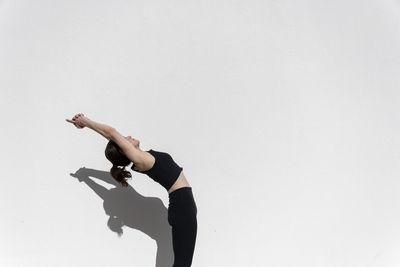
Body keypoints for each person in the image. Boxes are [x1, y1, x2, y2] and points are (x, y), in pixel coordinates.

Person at [66, 113, 198, 267]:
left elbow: (110, 176)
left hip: (182, 206)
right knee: (183, 264)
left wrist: (87, 174)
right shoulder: (141, 161)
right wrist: (86, 122)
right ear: (124, 150)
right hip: (183, 206)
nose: (127, 136)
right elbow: (112, 133)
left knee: (180, 263)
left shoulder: (143, 156)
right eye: (124, 140)